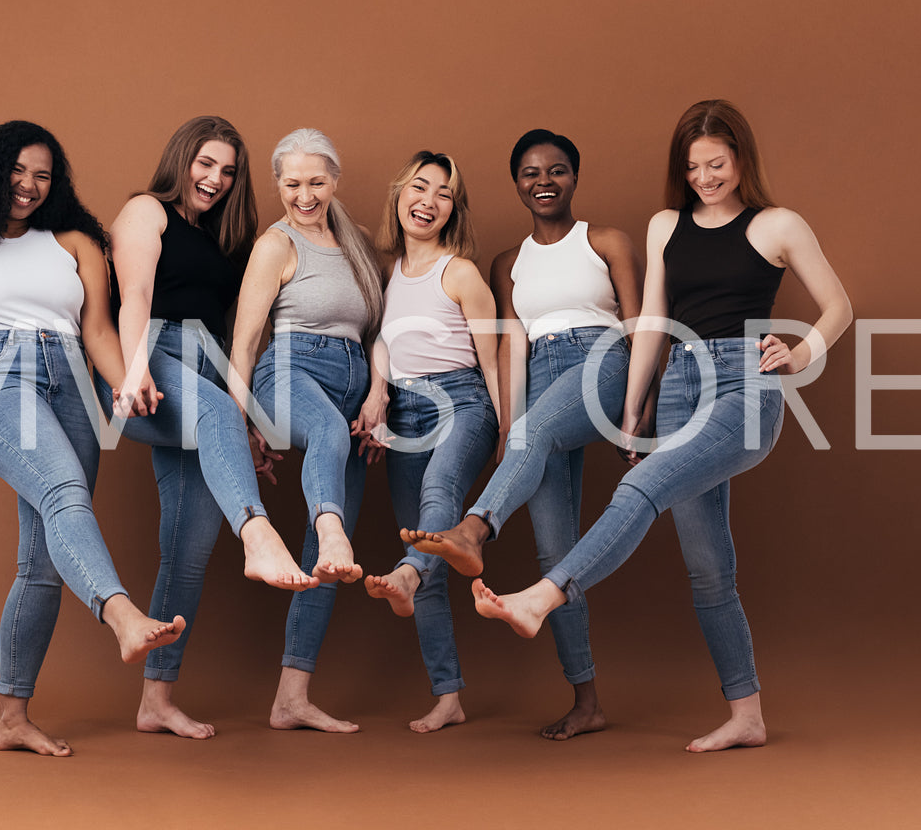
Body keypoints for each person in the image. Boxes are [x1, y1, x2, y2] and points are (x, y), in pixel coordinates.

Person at [471, 99, 853, 752]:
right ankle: (746, 714)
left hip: (743, 383)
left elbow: (839, 304)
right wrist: (630, 412)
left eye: (718, 164)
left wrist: (800, 352)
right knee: (707, 568)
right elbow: (649, 320)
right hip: (677, 380)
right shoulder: (664, 226)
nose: (706, 176)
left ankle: (544, 594)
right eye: (695, 166)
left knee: (636, 491)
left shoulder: (777, 225)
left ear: (740, 161)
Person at [0, 120, 184, 757]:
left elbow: (98, 332)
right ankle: (123, 616)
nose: (30, 186)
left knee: (41, 562)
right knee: (65, 491)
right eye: (18, 171)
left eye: (43, 175)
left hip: (71, 385)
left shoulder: (77, 240)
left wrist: (127, 384)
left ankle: (9, 716)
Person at [407, 129, 644, 740]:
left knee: (532, 436)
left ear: (574, 177)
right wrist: (510, 423)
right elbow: (512, 345)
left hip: (603, 359)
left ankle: (473, 529)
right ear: (517, 183)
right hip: (539, 374)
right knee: (552, 550)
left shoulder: (606, 240)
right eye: (531, 173)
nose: (544, 181)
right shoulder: (507, 264)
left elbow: (645, 327)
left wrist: (635, 411)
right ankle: (587, 699)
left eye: (558, 170)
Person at [108, 115, 317, 740]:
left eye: (228, 171)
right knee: (210, 523)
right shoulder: (146, 211)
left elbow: (226, 339)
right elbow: (136, 294)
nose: (215, 179)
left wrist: (246, 421)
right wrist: (135, 368)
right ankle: (257, 533)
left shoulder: (221, 239)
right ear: (181, 159)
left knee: (190, 549)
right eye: (205, 164)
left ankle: (156, 701)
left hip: (206, 369)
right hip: (150, 358)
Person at [229, 128, 383, 733]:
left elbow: (379, 335)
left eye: (316, 182)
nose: (304, 195)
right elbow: (244, 340)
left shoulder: (359, 244)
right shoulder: (276, 244)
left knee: (324, 561)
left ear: (335, 180)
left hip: (352, 382)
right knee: (327, 453)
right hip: (288, 369)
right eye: (292, 184)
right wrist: (240, 421)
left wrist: (378, 394)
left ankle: (291, 697)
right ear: (278, 185)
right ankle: (331, 527)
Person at [361, 152, 500, 733]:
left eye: (444, 193)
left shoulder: (460, 272)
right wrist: (377, 393)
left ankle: (406, 577)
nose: (429, 200)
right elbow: (382, 341)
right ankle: (449, 698)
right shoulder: (386, 269)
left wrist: (508, 431)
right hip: (404, 415)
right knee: (425, 534)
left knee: (440, 495)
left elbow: (494, 360)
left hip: (464, 402)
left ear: (453, 210)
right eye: (420, 187)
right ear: (400, 195)